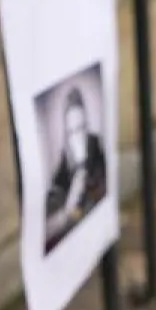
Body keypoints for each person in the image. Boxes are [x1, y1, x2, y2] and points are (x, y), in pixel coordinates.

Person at [44, 85, 107, 252]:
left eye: (81, 128)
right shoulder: (64, 167)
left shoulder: (95, 146)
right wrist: (68, 207)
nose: (77, 139)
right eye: (71, 132)